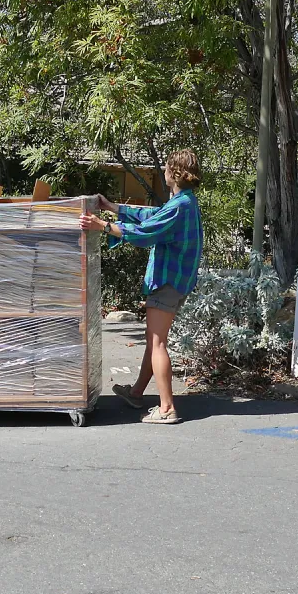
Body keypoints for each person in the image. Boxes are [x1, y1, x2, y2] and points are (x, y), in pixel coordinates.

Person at [82, 149, 202, 425]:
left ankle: (167, 408)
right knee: (153, 341)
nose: (165, 173)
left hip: (168, 282)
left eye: (167, 169)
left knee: (157, 343)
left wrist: (103, 226)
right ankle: (137, 392)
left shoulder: (180, 206)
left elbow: (146, 233)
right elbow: (153, 215)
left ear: (174, 173)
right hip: (176, 281)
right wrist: (114, 207)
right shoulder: (184, 202)